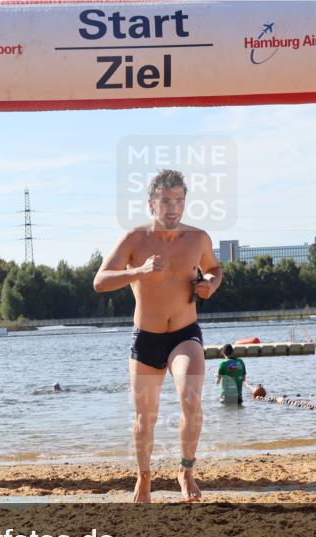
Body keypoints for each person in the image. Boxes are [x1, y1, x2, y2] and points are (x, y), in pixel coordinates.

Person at [93, 169, 222, 503]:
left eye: (179, 200)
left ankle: (186, 470)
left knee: (191, 399)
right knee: (143, 419)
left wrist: (210, 284)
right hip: (146, 338)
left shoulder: (198, 239)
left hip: (184, 333)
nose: (173, 208)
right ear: (152, 204)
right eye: (166, 201)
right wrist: (138, 270)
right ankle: (144, 477)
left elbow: (215, 269)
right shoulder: (134, 239)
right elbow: (100, 280)